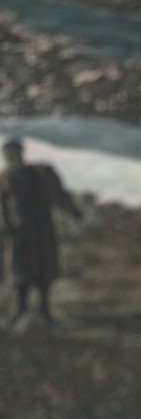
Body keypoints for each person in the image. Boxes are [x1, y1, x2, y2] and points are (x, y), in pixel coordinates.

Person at [0, 138, 81, 326]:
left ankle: (43, 311)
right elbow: (3, 204)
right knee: (23, 272)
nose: (11, 157)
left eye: (13, 153)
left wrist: (74, 213)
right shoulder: (7, 176)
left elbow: (58, 196)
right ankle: (21, 310)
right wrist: (6, 226)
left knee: (41, 268)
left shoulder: (39, 173)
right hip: (21, 229)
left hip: (39, 227)